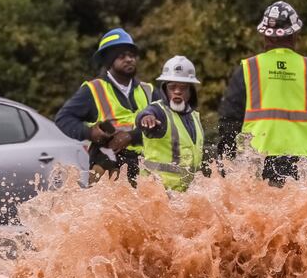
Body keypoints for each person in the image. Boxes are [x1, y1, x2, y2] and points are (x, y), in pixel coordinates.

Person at [217, 0, 307, 187]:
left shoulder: (249, 69)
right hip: (306, 163)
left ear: (264, 35)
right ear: (296, 34)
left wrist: (225, 164)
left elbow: (229, 121)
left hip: (259, 160)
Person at [55, 28, 160, 185]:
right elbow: (63, 119)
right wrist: (90, 132)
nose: (129, 59)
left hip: (146, 170)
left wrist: (131, 136)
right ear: (109, 61)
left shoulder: (149, 91)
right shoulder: (93, 90)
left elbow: (165, 125)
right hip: (108, 167)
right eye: (121, 56)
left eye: (131, 55)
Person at [136, 56, 204, 192]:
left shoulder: (194, 116)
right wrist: (146, 118)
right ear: (165, 89)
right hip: (157, 196)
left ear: (191, 91)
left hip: (185, 196)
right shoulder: (158, 111)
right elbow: (144, 115)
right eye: (172, 87)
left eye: (183, 88)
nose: (177, 91)